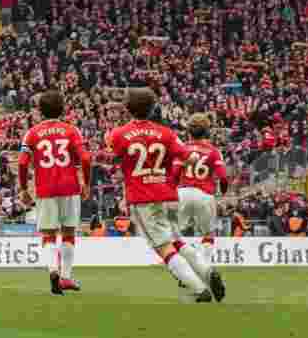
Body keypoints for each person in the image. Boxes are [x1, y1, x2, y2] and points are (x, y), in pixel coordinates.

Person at [106, 88, 219, 302]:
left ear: (128, 108)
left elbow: (112, 158)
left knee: (162, 247)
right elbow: (188, 157)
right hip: (168, 195)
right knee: (176, 239)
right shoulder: (166, 133)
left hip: (142, 198)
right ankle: (206, 270)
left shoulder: (119, 134)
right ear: (152, 108)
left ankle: (198, 288)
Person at [18, 89, 92, 295]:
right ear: (63, 109)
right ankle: (66, 277)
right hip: (70, 187)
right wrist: (86, 183)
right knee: (69, 232)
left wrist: (24, 188)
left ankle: (53, 270)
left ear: (40, 110)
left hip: (45, 189)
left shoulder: (32, 133)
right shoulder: (71, 130)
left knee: (49, 235)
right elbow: (86, 158)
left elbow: (23, 162)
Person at [172, 112, 228, 268]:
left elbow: (175, 174)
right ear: (207, 131)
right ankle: (203, 267)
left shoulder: (182, 149)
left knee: (174, 234)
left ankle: (185, 266)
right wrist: (223, 194)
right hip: (204, 195)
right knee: (208, 235)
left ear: (189, 131)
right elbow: (223, 178)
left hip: (182, 193)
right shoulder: (214, 151)